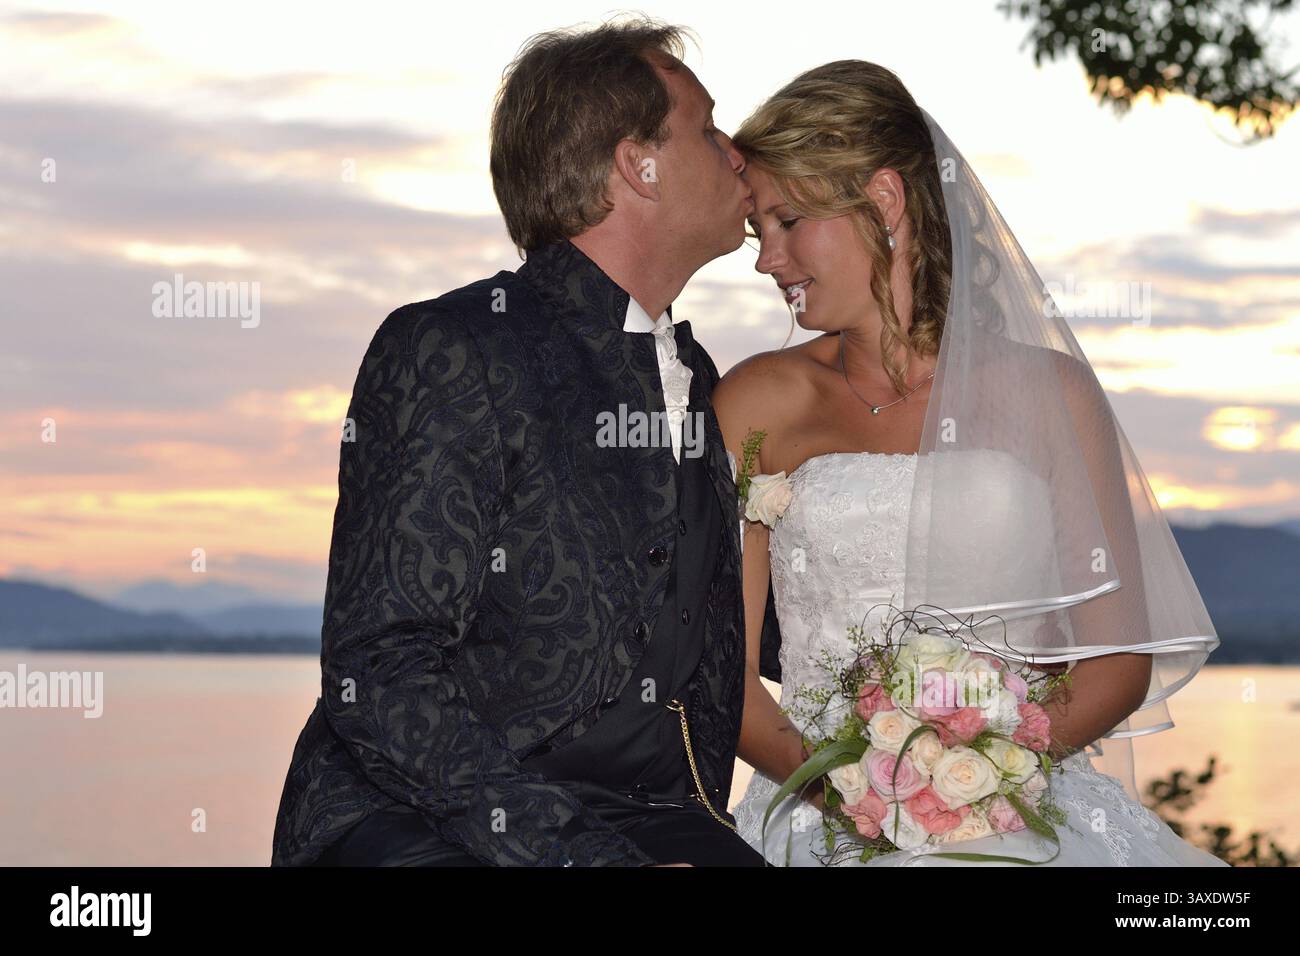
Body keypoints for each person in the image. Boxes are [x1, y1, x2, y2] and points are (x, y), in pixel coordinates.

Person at [271, 17, 765, 867]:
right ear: (634, 165)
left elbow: (744, 621)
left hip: (656, 818)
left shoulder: (703, 377)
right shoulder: (451, 346)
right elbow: (380, 671)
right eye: (711, 129)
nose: (738, 156)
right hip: (420, 824)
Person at [715, 59, 1227, 866]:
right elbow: (726, 672)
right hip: (816, 820)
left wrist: (975, 782)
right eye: (757, 233)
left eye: (787, 222)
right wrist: (854, 795)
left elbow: (1117, 658)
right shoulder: (753, 406)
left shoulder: (1051, 393)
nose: (766, 260)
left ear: (884, 200)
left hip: (1025, 801)